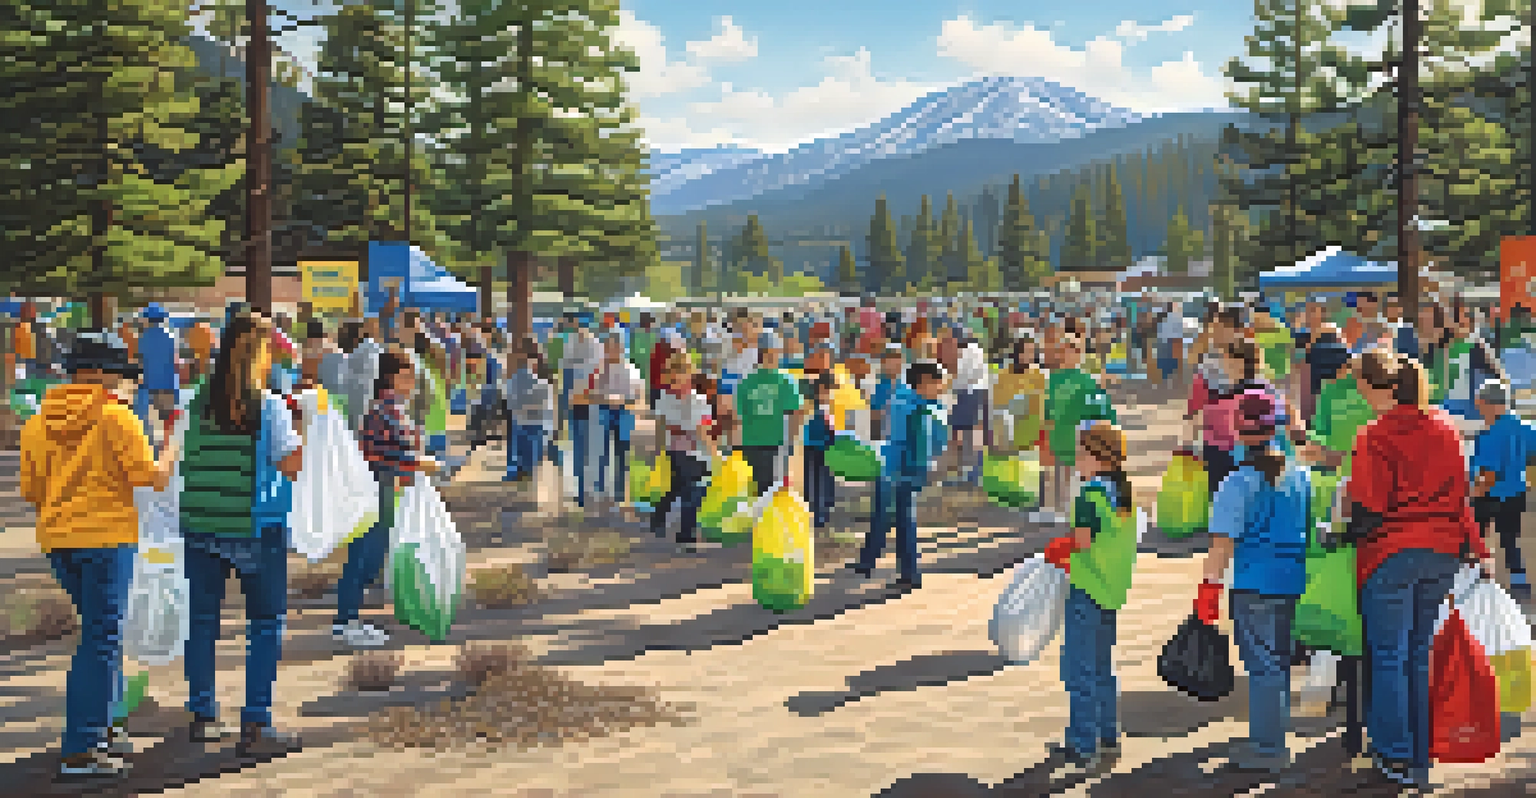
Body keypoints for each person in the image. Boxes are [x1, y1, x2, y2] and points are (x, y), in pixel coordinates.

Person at [20, 330, 177, 777]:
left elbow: (31, 490)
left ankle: (102, 729)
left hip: (58, 540)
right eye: (119, 374)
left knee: (98, 635)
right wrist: (170, 448)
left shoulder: (37, 421)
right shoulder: (117, 418)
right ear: (101, 375)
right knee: (101, 641)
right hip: (108, 539)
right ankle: (81, 749)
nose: (124, 383)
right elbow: (152, 478)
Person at [1346, 350, 1491, 788]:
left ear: (1375, 386)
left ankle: (1394, 753)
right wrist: (1476, 548)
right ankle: (1419, 756)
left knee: (1388, 657)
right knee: (1417, 657)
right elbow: (1461, 496)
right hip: (1443, 551)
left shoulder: (1374, 434)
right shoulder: (1446, 428)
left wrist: (1343, 528)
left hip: (1391, 551)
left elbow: (1369, 505)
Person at [177, 311, 304, 754]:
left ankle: (202, 713)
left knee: (203, 623)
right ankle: (255, 723)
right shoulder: (269, 406)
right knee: (265, 624)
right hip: (254, 525)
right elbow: (290, 465)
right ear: (263, 354)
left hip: (199, 521)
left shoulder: (195, 399)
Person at [1194, 391, 1310, 773]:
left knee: (1263, 668)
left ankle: (1268, 748)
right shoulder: (1300, 476)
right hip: (1292, 581)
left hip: (1252, 584)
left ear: (1238, 430)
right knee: (1278, 664)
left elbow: (1222, 544)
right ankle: (1273, 739)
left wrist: (1208, 588)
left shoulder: (1237, 481)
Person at [1041, 421, 1138, 776]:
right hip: (1111, 589)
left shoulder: (1090, 495)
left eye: (1082, 453)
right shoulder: (1123, 492)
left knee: (1078, 670)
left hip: (1087, 588)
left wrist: (1059, 547)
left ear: (1099, 457)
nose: (1077, 460)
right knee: (1102, 669)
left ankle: (1083, 745)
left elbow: (1082, 540)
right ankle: (1108, 736)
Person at [341, 349, 441, 647]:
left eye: (413, 376)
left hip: (382, 489)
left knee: (368, 556)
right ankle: (346, 622)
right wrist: (421, 462)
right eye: (406, 376)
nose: (411, 382)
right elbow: (385, 454)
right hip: (378, 489)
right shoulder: (386, 410)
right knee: (364, 557)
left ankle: (349, 620)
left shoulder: (390, 408)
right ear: (390, 377)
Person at [850, 360, 948, 589]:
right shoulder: (910, 405)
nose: (941, 388)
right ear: (924, 383)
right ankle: (907, 573)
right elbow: (912, 441)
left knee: (891, 518)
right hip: (897, 469)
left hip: (904, 469)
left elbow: (937, 440)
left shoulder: (925, 404)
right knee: (897, 519)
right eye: (938, 383)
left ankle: (872, 563)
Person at [1469, 378, 1534, 598]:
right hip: (1517, 492)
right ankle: (1519, 582)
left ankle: (1475, 581)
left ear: (1489, 403)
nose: (1479, 409)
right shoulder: (1524, 427)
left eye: (1480, 405)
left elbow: (1489, 474)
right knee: (1510, 538)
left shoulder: (1491, 433)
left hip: (1489, 496)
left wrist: (1475, 492)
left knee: (1476, 538)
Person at [1044, 332, 1116, 517]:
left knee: (1080, 472)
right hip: (1059, 433)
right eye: (1068, 350)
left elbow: (1099, 405)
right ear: (1061, 353)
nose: (1072, 354)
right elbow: (1047, 406)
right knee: (1060, 472)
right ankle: (1060, 509)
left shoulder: (1088, 379)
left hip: (1079, 434)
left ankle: (1077, 510)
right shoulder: (1052, 379)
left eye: (1076, 350)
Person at [651, 351, 716, 551]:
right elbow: (701, 431)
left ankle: (659, 520)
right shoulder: (698, 400)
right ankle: (686, 535)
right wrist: (714, 454)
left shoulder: (664, 397)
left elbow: (660, 426)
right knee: (693, 493)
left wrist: (660, 449)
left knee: (676, 487)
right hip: (694, 452)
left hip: (674, 450)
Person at [735, 331, 805, 496]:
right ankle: (763, 520)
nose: (773, 356)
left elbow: (796, 413)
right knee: (766, 490)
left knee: (765, 490)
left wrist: (792, 442)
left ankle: (762, 519)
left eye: (775, 352)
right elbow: (740, 416)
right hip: (762, 443)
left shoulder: (783, 380)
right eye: (769, 352)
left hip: (768, 442)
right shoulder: (751, 381)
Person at [592, 333, 645, 513]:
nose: (610, 350)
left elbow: (639, 395)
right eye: (607, 347)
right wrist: (604, 398)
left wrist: (624, 400)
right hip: (604, 411)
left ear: (621, 348)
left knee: (622, 454)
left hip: (624, 413)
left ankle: (620, 493)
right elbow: (590, 392)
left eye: (614, 346)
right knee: (602, 452)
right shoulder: (599, 370)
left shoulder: (631, 369)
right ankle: (601, 491)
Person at [135, 303, 180, 450]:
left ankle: (154, 448)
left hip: (150, 383)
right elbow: (175, 360)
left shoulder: (143, 338)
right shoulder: (170, 335)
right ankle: (166, 446)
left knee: (153, 421)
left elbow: (140, 360)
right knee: (167, 417)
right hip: (168, 383)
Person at [950, 337, 991, 486]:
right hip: (978, 394)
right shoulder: (976, 352)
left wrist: (952, 385)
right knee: (975, 436)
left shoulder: (968, 352)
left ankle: (970, 473)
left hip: (969, 394)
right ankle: (975, 472)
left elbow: (963, 378)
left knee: (967, 435)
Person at [802, 373, 838, 529]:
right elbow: (807, 428)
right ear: (822, 389)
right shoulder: (810, 406)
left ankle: (824, 511)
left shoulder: (829, 406)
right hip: (813, 447)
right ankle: (817, 514)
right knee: (815, 483)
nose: (831, 394)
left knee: (825, 481)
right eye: (830, 389)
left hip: (827, 447)